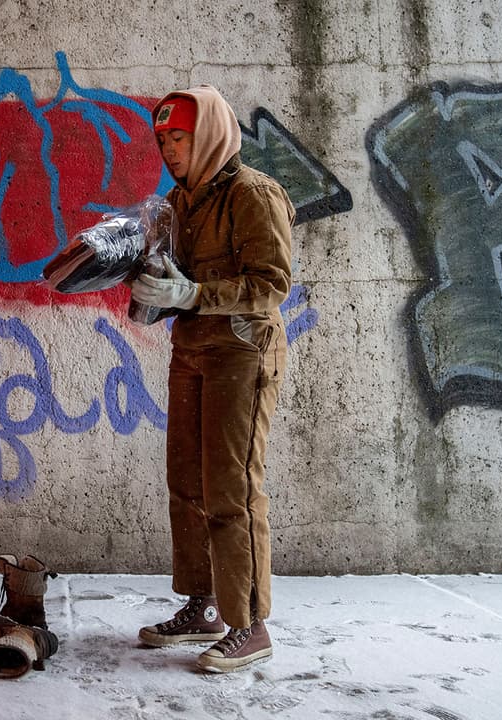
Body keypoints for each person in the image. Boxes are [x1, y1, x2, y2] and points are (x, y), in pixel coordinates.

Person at [128, 85, 294, 674]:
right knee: (187, 483)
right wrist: (150, 286)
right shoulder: (178, 201)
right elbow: (178, 280)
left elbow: (271, 284)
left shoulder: (254, 194)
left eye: (181, 137)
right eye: (164, 139)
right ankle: (202, 606)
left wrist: (194, 293)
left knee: (231, 488)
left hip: (242, 355)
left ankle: (250, 624)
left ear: (212, 135)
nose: (171, 149)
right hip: (193, 349)